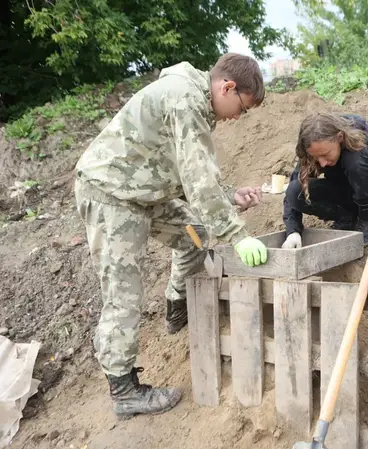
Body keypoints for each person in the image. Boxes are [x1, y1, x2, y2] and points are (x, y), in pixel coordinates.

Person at [74, 53, 269, 420]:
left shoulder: (191, 97)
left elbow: (183, 171)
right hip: (112, 195)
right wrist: (238, 235)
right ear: (227, 87)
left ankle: (176, 304)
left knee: (194, 235)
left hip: (143, 193)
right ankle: (124, 389)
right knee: (124, 293)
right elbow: (197, 181)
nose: (238, 117)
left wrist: (230, 196)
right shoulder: (185, 98)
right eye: (242, 107)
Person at [282, 113, 368, 248]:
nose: (322, 163)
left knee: (356, 160)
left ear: (340, 137)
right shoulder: (315, 149)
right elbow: (292, 191)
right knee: (295, 190)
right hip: (346, 194)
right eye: (317, 157)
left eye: (325, 155)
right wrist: (293, 231)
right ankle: (348, 220)